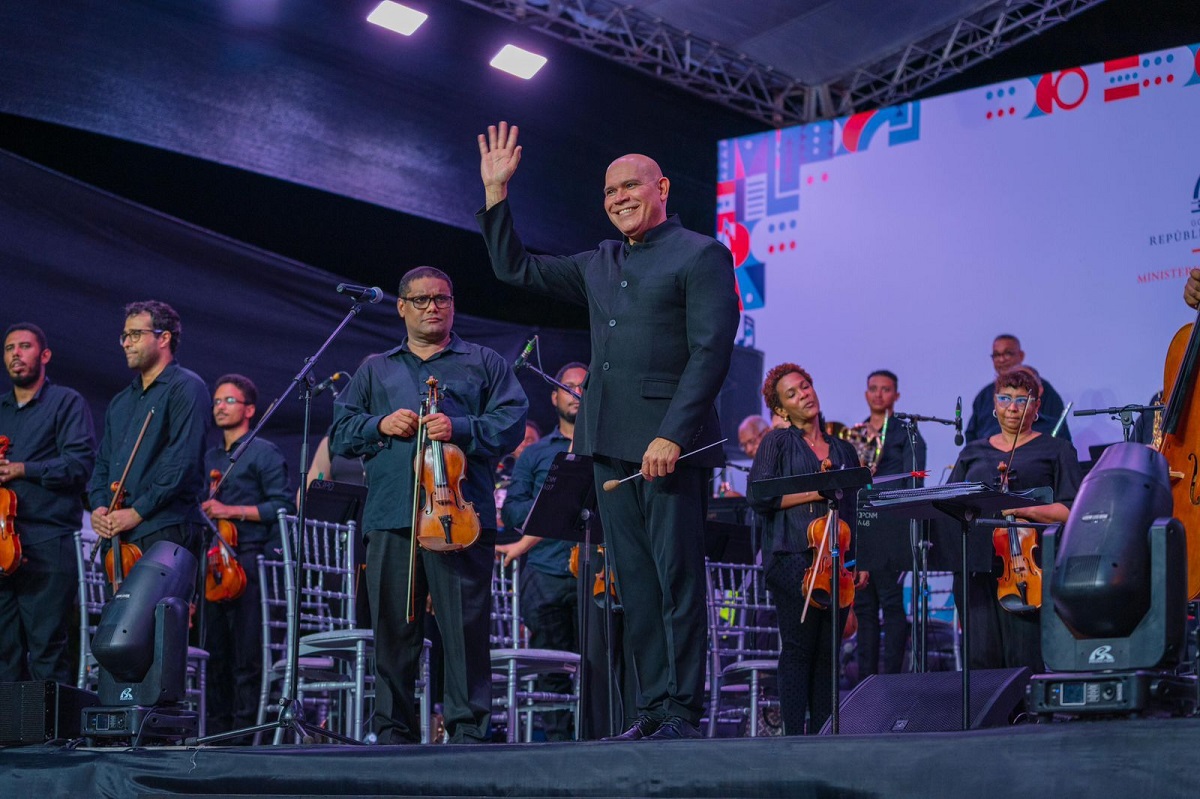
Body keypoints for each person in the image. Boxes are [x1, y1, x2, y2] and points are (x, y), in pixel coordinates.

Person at [476, 121, 740, 740]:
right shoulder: (600, 261)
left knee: (676, 581)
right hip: (607, 444)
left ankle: (682, 711)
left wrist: (673, 434)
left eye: (630, 186)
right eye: (609, 191)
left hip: (669, 447)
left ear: (662, 188)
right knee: (636, 584)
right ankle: (651, 708)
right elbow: (515, 270)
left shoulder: (701, 253)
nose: (619, 198)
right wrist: (496, 194)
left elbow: (711, 352)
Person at [330, 266, 528, 744]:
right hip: (393, 515)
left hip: (458, 517)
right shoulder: (376, 369)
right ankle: (392, 734)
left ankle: (468, 734)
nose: (432, 307)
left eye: (441, 298)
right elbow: (340, 433)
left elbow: (512, 423)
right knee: (393, 633)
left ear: (452, 304)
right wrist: (379, 425)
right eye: (420, 300)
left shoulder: (483, 361)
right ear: (401, 307)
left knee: (464, 630)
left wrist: (461, 427)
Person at [933, 365, 1082, 671]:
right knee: (980, 657)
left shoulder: (1057, 450)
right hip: (976, 566)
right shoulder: (972, 452)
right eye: (1005, 398)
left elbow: (1070, 511)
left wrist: (1022, 509)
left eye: (1021, 400)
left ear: (1036, 407)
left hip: (1029, 566)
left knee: (1024, 657)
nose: (1012, 408)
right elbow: (950, 506)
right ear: (994, 404)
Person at [747, 364, 866, 735]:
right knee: (799, 649)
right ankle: (794, 738)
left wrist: (859, 559)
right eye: (792, 394)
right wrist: (817, 491)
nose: (804, 395)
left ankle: (824, 736)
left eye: (805, 386)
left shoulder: (843, 449)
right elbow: (759, 496)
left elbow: (854, 508)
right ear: (780, 410)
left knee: (829, 653)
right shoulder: (777, 443)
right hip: (791, 557)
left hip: (836, 562)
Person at [0, 323, 96, 684]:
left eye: (24, 346)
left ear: (45, 355)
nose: (15, 354)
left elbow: (79, 465)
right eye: (9, 348)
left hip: (47, 541)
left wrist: (23, 468)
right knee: (4, 651)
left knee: (47, 648)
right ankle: (9, 722)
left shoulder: (67, 402)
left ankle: (48, 724)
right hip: (1, 545)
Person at [496, 362, 587, 740]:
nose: (576, 392)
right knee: (552, 667)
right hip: (547, 571)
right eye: (568, 386)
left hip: (596, 571)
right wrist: (550, 505)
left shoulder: (604, 447)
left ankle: (598, 739)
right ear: (554, 396)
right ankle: (561, 748)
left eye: (583, 386)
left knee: (601, 663)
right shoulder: (534, 455)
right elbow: (512, 509)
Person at [87, 301, 210, 576]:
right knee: (117, 606)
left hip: (163, 530)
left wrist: (136, 512)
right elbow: (103, 463)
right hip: (118, 536)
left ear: (163, 338)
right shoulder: (120, 402)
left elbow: (183, 463)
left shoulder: (186, 387)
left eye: (135, 334)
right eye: (124, 335)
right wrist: (99, 507)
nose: (126, 343)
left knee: (158, 606)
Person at [201, 374, 293, 735]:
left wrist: (230, 511)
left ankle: (244, 733)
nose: (220, 407)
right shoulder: (209, 457)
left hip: (250, 561)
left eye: (229, 401)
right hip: (213, 564)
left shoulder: (263, 452)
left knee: (247, 653)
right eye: (216, 401)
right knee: (214, 654)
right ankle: (214, 733)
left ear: (250, 410)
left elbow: (281, 507)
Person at [852, 370, 925, 680]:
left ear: (896, 395)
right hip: (862, 524)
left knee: (891, 602)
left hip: (891, 525)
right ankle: (865, 681)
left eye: (885, 389)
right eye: (873, 388)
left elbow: (915, 480)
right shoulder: (856, 434)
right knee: (864, 606)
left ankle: (893, 680)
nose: (879, 394)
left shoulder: (906, 432)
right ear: (866, 393)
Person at [965, 335, 1070, 442]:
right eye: (996, 355)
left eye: (1007, 354)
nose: (1001, 359)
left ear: (1021, 355)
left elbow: (1057, 430)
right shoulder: (984, 395)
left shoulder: (1041, 389)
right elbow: (971, 435)